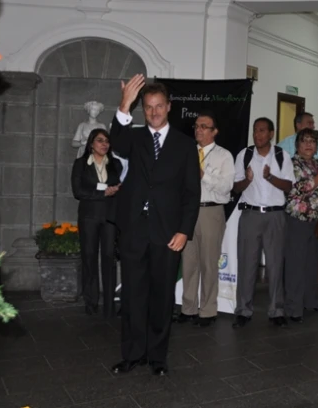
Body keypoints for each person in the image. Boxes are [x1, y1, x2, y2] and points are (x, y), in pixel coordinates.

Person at [109, 75, 201, 377]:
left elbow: (191, 193)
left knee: (162, 297)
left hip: (168, 233)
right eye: (148, 107)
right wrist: (124, 104)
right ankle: (132, 354)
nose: (154, 112)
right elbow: (117, 143)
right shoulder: (133, 138)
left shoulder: (186, 146)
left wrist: (184, 230)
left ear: (169, 107)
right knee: (133, 295)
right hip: (135, 228)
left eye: (159, 106)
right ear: (142, 109)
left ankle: (158, 357)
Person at [232, 118, 295, 328]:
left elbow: (288, 186)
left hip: (275, 216)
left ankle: (276, 310)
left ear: (271, 134)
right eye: (255, 131)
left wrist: (269, 177)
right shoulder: (244, 155)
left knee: (276, 264)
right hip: (250, 215)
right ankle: (243, 309)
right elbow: (236, 188)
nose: (257, 135)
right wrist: (248, 180)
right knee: (247, 263)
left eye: (262, 131)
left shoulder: (281, 156)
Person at [178, 111, 234, 328]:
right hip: (188, 212)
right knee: (189, 262)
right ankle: (188, 308)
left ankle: (208, 310)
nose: (198, 130)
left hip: (211, 211)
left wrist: (203, 175)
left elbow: (226, 187)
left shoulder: (224, 156)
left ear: (214, 131)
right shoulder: (187, 152)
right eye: (196, 126)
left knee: (209, 263)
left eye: (203, 126)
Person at [284, 129, 318, 322]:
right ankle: (293, 307)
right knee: (295, 265)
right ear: (297, 145)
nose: (309, 145)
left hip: (317, 221)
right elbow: (303, 188)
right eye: (304, 141)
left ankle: (310, 302)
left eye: (312, 142)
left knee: (312, 264)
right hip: (297, 220)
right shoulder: (292, 163)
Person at [70, 128, 122, 318]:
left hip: (109, 218)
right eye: (100, 140)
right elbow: (78, 191)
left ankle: (109, 304)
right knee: (89, 258)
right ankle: (91, 302)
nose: (104, 144)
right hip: (89, 217)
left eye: (107, 141)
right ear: (91, 144)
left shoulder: (115, 164)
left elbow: (118, 186)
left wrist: (115, 190)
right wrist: (103, 193)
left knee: (109, 258)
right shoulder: (81, 164)